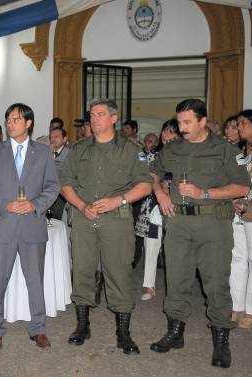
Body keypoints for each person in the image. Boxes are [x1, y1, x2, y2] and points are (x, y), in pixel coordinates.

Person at [150, 99, 250, 368]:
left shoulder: (226, 150)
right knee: (177, 279)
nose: (181, 127)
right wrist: (160, 194)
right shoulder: (173, 148)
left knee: (216, 282)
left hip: (212, 225)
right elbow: (151, 173)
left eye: (187, 122)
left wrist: (204, 193)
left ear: (203, 121)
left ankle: (220, 341)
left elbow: (242, 187)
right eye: (179, 121)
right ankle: (175, 332)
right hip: (179, 224)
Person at [61, 98, 152, 355]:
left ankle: (123, 333)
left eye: (100, 114)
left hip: (117, 219)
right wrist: (80, 205)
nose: (94, 118)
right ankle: (82, 325)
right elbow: (65, 182)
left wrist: (119, 200)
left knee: (119, 272)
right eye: (92, 114)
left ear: (113, 118)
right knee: (81, 270)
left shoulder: (131, 150)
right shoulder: (78, 149)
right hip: (83, 218)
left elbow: (145, 184)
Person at [0, 103, 59, 350]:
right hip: (3, 225)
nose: (10, 123)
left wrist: (35, 205)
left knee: (35, 280)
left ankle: (38, 328)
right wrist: (5, 205)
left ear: (28, 123)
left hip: (32, 226)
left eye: (15, 119)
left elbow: (53, 186)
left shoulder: (43, 153)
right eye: (8, 119)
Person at [136, 121, 180, 301]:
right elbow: (147, 177)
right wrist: (159, 187)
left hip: (179, 206)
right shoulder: (154, 156)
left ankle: (176, 288)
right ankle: (148, 285)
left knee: (175, 248)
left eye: (171, 132)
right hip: (155, 205)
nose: (166, 135)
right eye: (165, 131)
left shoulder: (185, 154)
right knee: (151, 243)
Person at [230, 109, 252, 329]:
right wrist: (235, 199)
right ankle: (236, 306)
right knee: (237, 257)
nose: (239, 127)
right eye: (237, 124)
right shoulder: (240, 150)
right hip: (238, 208)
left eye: (243, 123)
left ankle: (251, 309)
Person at [49, 127, 69, 220]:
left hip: (62, 195)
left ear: (64, 139)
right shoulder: (47, 152)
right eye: (51, 137)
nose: (52, 140)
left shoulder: (69, 153)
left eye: (56, 136)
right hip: (48, 194)